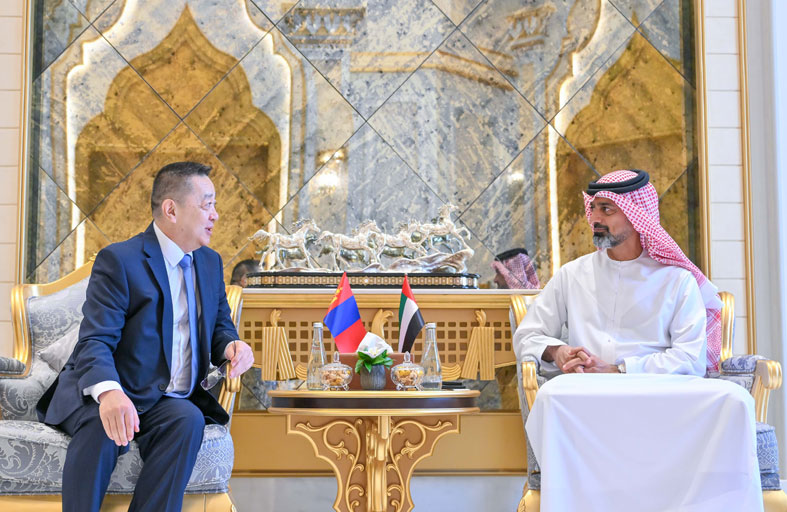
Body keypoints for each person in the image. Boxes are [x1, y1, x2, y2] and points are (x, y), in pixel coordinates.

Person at [36, 161, 255, 512]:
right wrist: (110, 394)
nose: (215, 215)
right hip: (109, 390)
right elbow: (96, 340)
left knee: (188, 420)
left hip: (166, 401)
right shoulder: (120, 260)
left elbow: (219, 327)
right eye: (207, 204)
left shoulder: (210, 262)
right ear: (171, 209)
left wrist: (232, 345)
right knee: (104, 426)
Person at [514, 169, 722, 376]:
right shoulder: (572, 274)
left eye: (606, 209)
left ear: (636, 215)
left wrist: (619, 370)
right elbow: (527, 335)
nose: (594, 218)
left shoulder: (677, 280)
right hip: (585, 390)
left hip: (653, 391)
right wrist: (557, 351)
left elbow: (690, 359)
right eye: (593, 208)